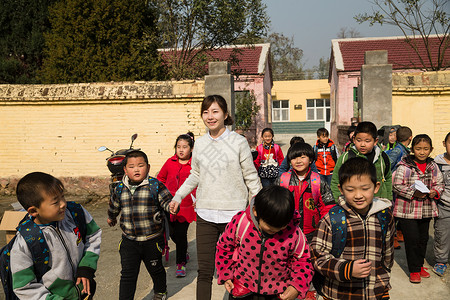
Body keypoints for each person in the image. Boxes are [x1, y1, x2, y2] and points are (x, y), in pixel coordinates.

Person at [170, 95, 262, 300]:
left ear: (225, 114)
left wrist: (260, 205)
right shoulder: (200, 144)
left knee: (238, 271)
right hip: (205, 215)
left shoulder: (238, 142)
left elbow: (251, 176)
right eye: (206, 112)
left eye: (215, 111)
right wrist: (178, 197)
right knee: (204, 272)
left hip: (235, 217)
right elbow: (195, 174)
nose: (210, 116)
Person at [311, 157, 395, 300]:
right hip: (340, 293)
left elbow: (387, 254)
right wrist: (347, 269)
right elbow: (317, 257)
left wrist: (383, 279)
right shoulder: (332, 219)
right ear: (341, 189)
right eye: (350, 189)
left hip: (376, 290)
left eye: (365, 188)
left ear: (376, 187)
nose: (358, 195)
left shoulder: (385, 215)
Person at [10, 172, 102, 299]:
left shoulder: (74, 214)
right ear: (33, 211)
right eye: (55, 202)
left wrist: (87, 267)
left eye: (62, 197)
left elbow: (93, 235)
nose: (63, 203)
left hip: (84, 292)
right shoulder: (26, 241)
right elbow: (24, 287)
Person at [216, 185, 314, 300]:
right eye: (270, 227)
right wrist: (225, 274)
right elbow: (224, 247)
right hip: (242, 288)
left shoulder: (294, 233)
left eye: (282, 227)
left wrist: (296, 287)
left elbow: (304, 261)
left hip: (277, 293)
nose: (276, 231)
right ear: (255, 211)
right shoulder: (242, 223)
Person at [108, 150, 178, 300]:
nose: (137, 169)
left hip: (152, 240)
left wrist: (172, 207)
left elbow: (166, 202)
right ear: (125, 170)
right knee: (127, 274)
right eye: (132, 167)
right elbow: (114, 206)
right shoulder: (119, 188)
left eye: (140, 165)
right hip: (129, 241)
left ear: (148, 167)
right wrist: (111, 217)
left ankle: (160, 291)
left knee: (156, 269)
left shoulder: (155, 186)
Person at [392, 134, 444, 283]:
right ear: (412, 149)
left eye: (425, 149)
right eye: (418, 148)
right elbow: (396, 185)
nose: (422, 152)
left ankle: (420, 265)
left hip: (426, 209)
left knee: (423, 239)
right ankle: (414, 270)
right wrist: (413, 192)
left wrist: (435, 191)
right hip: (407, 210)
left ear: (431, 149)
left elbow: (440, 183)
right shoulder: (404, 165)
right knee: (412, 240)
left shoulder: (433, 166)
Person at [275, 142, 335, 242]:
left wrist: (326, 226)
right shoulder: (282, 180)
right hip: (286, 231)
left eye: (303, 157)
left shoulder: (318, 181)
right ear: (289, 161)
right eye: (294, 158)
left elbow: (327, 206)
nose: (298, 161)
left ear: (311, 159)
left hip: (312, 232)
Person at [157, 132, 196, 277]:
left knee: (180, 234)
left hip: (186, 207)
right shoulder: (169, 162)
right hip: (168, 205)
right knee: (171, 233)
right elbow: (160, 178)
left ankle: (181, 263)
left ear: (191, 149)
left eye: (184, 147)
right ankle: (183, 251)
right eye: (178, 146)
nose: (181, 150)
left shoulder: (195, 165)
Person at [330, 121, 393, 202]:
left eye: (367, 141)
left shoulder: (382, 157)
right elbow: (335, 181)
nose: (362, 144)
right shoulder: (346, 158)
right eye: (359, 140)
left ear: (375, 141)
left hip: (379, 203)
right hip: (353, 203)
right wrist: (340, 201)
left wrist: (388, 200)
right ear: (354, 139)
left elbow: (387, 178)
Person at [433, 132, 450, 276]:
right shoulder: (436, 163)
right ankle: (441, 261)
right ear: (444, 143)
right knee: (441, 235)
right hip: (444, 206)